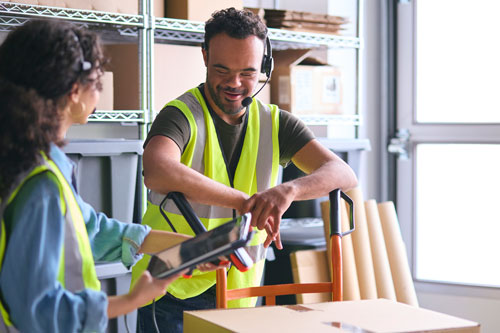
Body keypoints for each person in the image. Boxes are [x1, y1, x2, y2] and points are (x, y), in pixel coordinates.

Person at [131, 7, 358, 333]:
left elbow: (342, 173)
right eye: (222, 70)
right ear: (205, 56)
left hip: (240, 295)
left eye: (248, 73)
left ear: (264, 66)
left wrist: (288, 190)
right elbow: (157, 169)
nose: (235, 83)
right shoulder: (180, 115)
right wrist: (245, 202)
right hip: (172, 289)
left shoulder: (276, 124)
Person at [0, 19, 226, 332]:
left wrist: (190, 248)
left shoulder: (37, 165)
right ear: (74, 90)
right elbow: (36, 309)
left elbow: (94, 230)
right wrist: (132, 300)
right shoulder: (41, 186)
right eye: (97, 79)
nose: (100, 88)